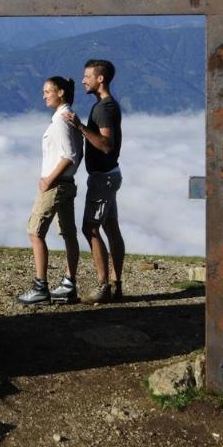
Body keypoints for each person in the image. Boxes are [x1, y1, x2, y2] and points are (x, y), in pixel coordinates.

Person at [63, 59, 125, 304]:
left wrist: (79, 127)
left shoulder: (104, 109)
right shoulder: (106, 105)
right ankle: (116, 284)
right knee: (111, 227)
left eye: (87, 76)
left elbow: (106, 145)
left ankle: (103, 286)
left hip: (103, 178)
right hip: (111, 175)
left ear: (100, 79)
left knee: (90, 228)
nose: (83, 80)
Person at [17, 76, 83, 305]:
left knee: (35, 232)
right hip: (67, 184)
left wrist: (48, 181)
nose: (44, 95)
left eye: (47, 91)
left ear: (61, 93)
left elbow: (69, 156)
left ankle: (40, 287)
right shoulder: (68, 118)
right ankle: (68, 284)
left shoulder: (61, 121)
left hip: (55, 185)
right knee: (68, 233)